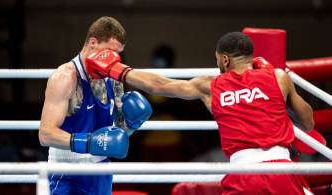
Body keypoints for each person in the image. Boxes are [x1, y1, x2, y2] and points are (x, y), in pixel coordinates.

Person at [84, 32, 321, 194]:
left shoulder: (211, 86)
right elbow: (308, 123)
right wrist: (281, 92)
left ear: (225, 59)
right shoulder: (278, 78)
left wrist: (117, 70)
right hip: (282, 171)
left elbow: (159, 84)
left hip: (243, 176)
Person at [38, 16, 152, 195]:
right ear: (92, 43)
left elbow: (118, 135)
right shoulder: (65, 78)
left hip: (100, 170)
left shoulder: (114, 78)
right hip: (66, 170)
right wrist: (89, 143)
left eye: (118, 54)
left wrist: (131, 124)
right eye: (109, 51)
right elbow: (45, 134)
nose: (113, 59)